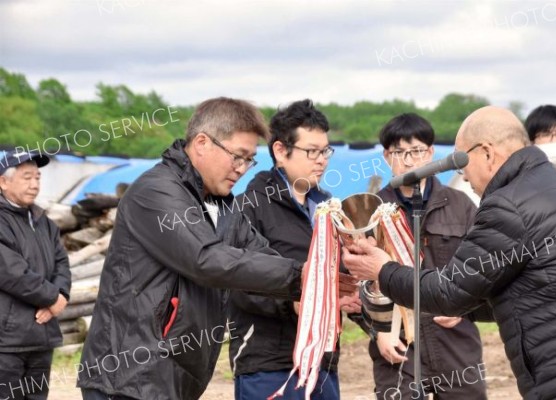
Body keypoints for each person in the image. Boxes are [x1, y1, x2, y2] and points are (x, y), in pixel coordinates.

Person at [77, 97, 356, 400]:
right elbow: (207, 259)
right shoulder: (156, 191)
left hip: (172, 375)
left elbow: (259, 255)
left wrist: (320, 289)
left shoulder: (221, 205)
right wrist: (303, 276)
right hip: (130, 376)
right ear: (201, 143)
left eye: (249, 159)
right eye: (237, 156)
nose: (242, 168)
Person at [343, 106, 556, 399]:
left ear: (487, 153)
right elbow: (537, 288)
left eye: (463, 163)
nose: (464, 177)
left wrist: (382, 271)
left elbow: (449, 291)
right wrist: (468, 308)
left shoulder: (507, 205)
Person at [228, 99, 359, 400]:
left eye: (326, 151)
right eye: (311, 151)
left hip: (324, 360)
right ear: (279, 151)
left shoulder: (328, 208)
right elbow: (236, 282)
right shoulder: (249, 207)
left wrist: (353, 294)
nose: (322, 160)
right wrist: (295, 303)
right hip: (270, 363)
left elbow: (338, 274)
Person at [367, 113, 486, 399]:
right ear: (386, 156)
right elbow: (359, 280)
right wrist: (378, 330)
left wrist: (464, 307)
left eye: (417, 151)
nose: (409, 161)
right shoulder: (371, 208)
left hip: (454, 341)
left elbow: (482, 268)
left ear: (431, 153)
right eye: (399, 152)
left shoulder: (461, 205)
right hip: (397, 345)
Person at [0, 150, 71, 400]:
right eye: (26, 177)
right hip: (6, 342)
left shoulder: (44, 222)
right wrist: (53, 298)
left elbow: (62, 263)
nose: (34, 184)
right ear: (3, 181)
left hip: (41, 337)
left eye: (38, 178)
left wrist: (60, 296)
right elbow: (11, 272)